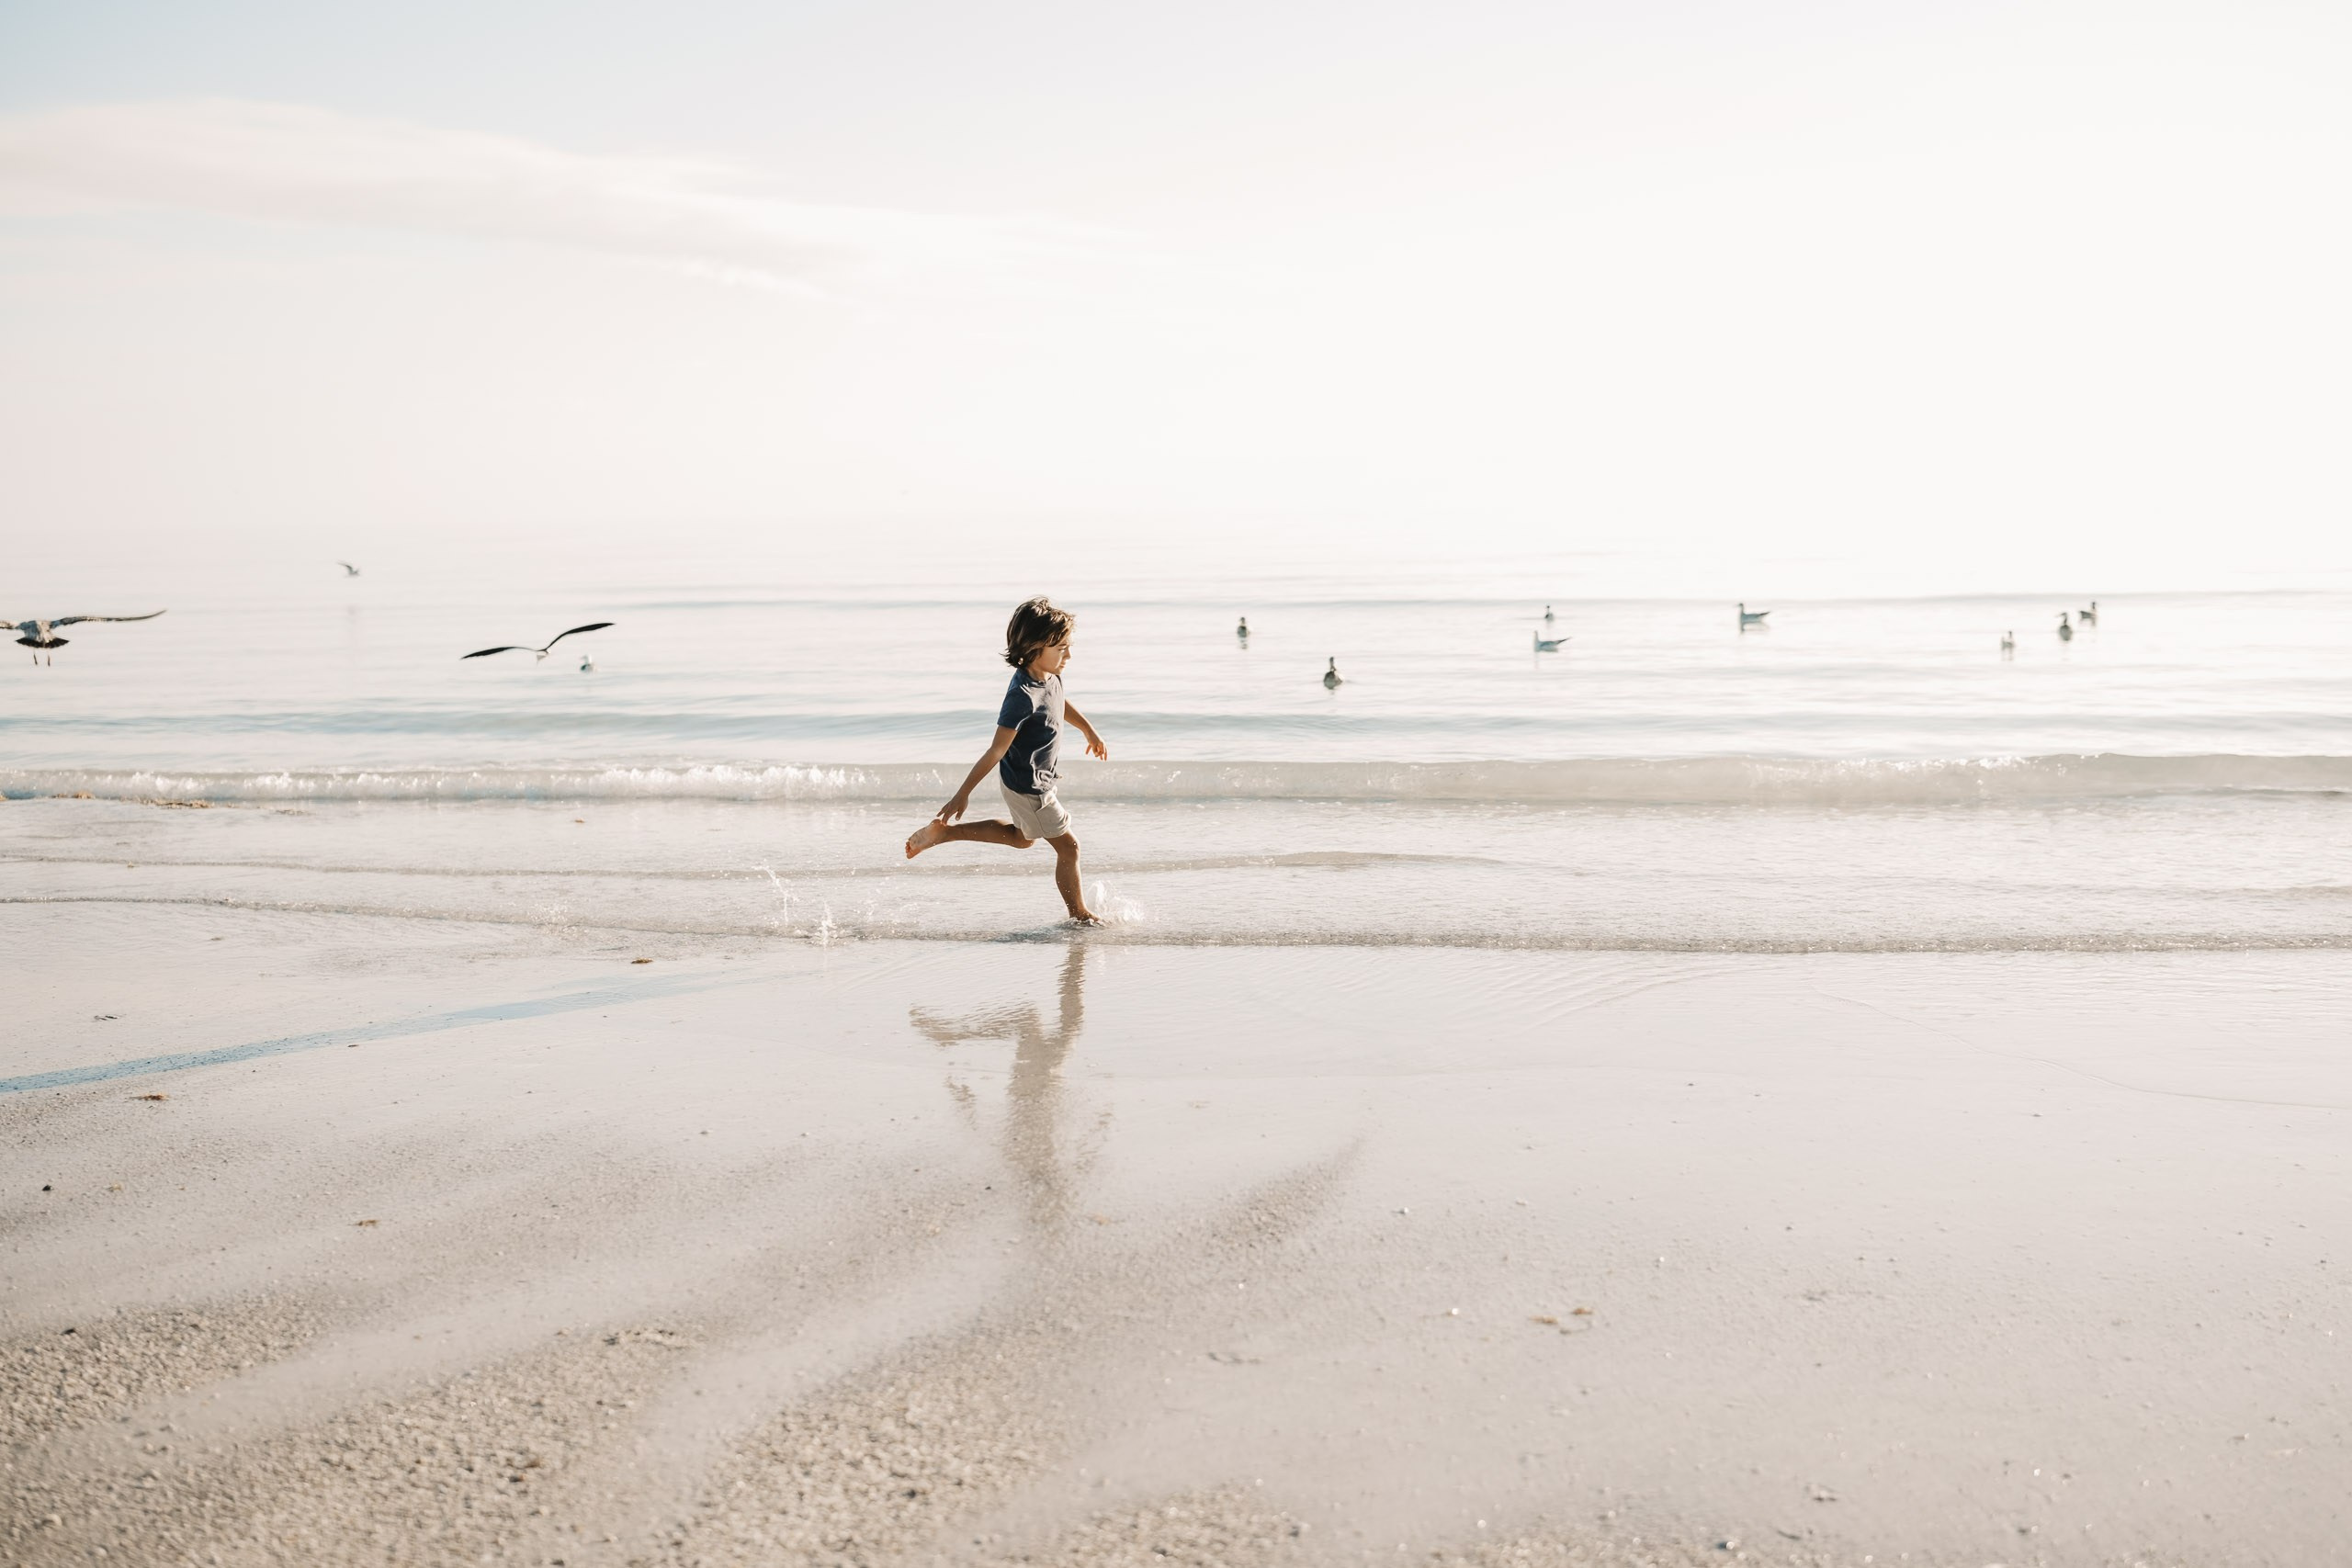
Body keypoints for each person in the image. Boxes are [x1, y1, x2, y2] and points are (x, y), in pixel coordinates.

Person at [905, 597, 1109, 922]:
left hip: (1028, 779)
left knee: (1022, 839)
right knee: (1069, 848)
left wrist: (1089, 730)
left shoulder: (1049, 675)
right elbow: (996, 750)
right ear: (1035, 647)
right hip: (1029, 787)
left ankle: (945, 834)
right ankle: (1080, 916)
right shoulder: (1021, 696)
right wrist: (962, 793)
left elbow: (1058, 701)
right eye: (1061, 649)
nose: (1068, 655)